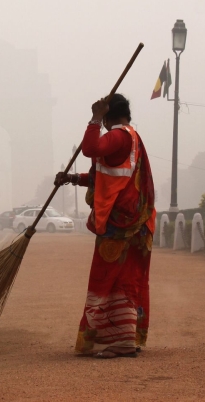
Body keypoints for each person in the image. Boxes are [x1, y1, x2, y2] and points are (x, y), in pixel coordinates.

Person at [54, 93, 156, 359]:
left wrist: (94, 119)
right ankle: (126, 338)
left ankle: (119, 342)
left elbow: (90, 149)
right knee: (127, 278)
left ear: (108, 114)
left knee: (109, 279)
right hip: (136, 221)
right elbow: (107, 175)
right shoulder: (131, 137)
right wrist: (74, 178)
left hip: (120, 222)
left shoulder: (119, 136)